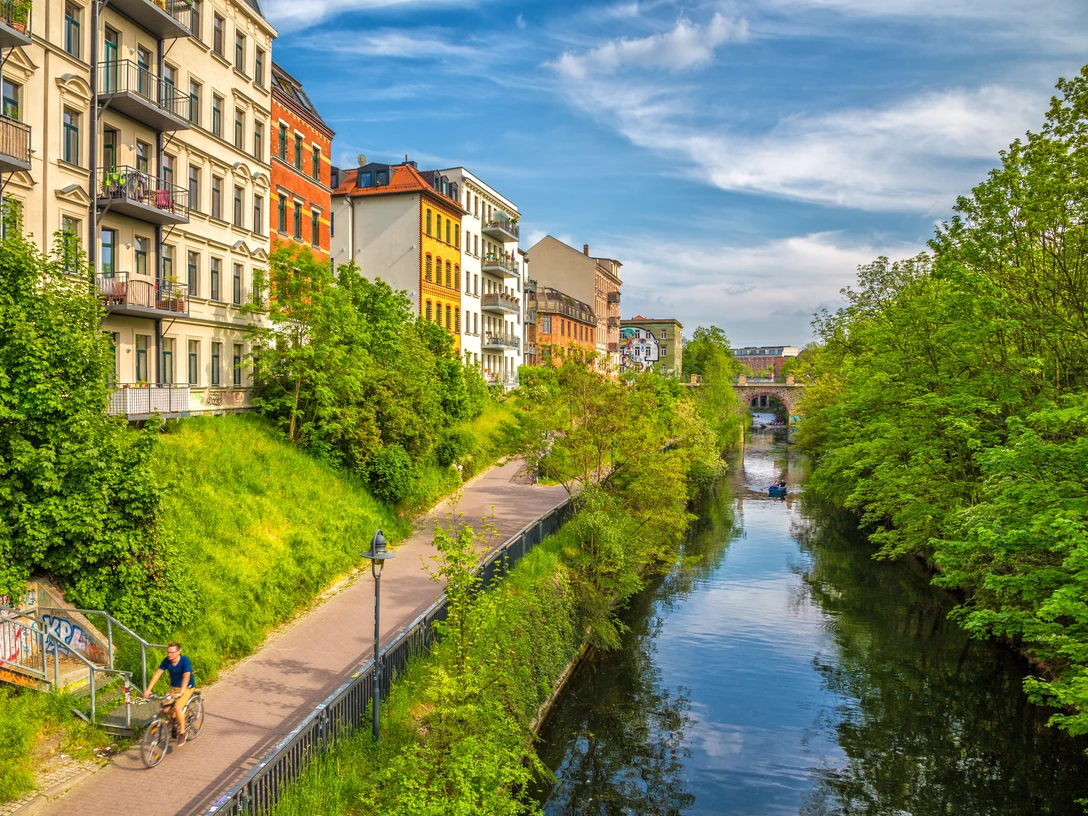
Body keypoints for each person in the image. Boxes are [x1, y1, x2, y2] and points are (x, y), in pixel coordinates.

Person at [143, 642, 195, 745]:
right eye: (168, 652)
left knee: (177, 708)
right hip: (173, 688)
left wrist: (181, 692)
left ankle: (182, 733)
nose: (169, 655)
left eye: (171, 653)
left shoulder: (184, 661)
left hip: (186, 688)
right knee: (165, 709)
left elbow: (186, 677)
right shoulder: (167, 661)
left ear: (178, 652)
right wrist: (148, 689)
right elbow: (157, 674)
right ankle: (178, 717)